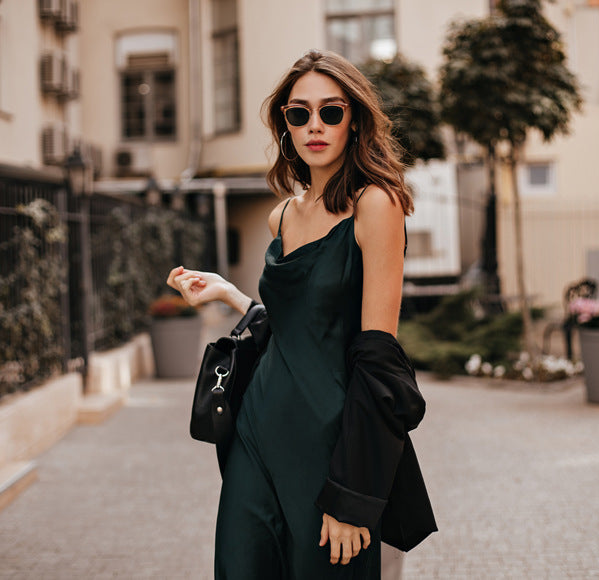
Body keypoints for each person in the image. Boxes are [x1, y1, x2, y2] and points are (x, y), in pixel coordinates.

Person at [168, 49, 434, 580]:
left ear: (353, 120)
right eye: (299, 113)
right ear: (285, 125)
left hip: (329, 443)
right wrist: (227, 293)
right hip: (255, 434)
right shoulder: (282, 215)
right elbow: (296, 327)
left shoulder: (375, 205)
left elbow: (378, 356)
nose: (315, 125)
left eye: (331, 112)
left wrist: (353, 493)